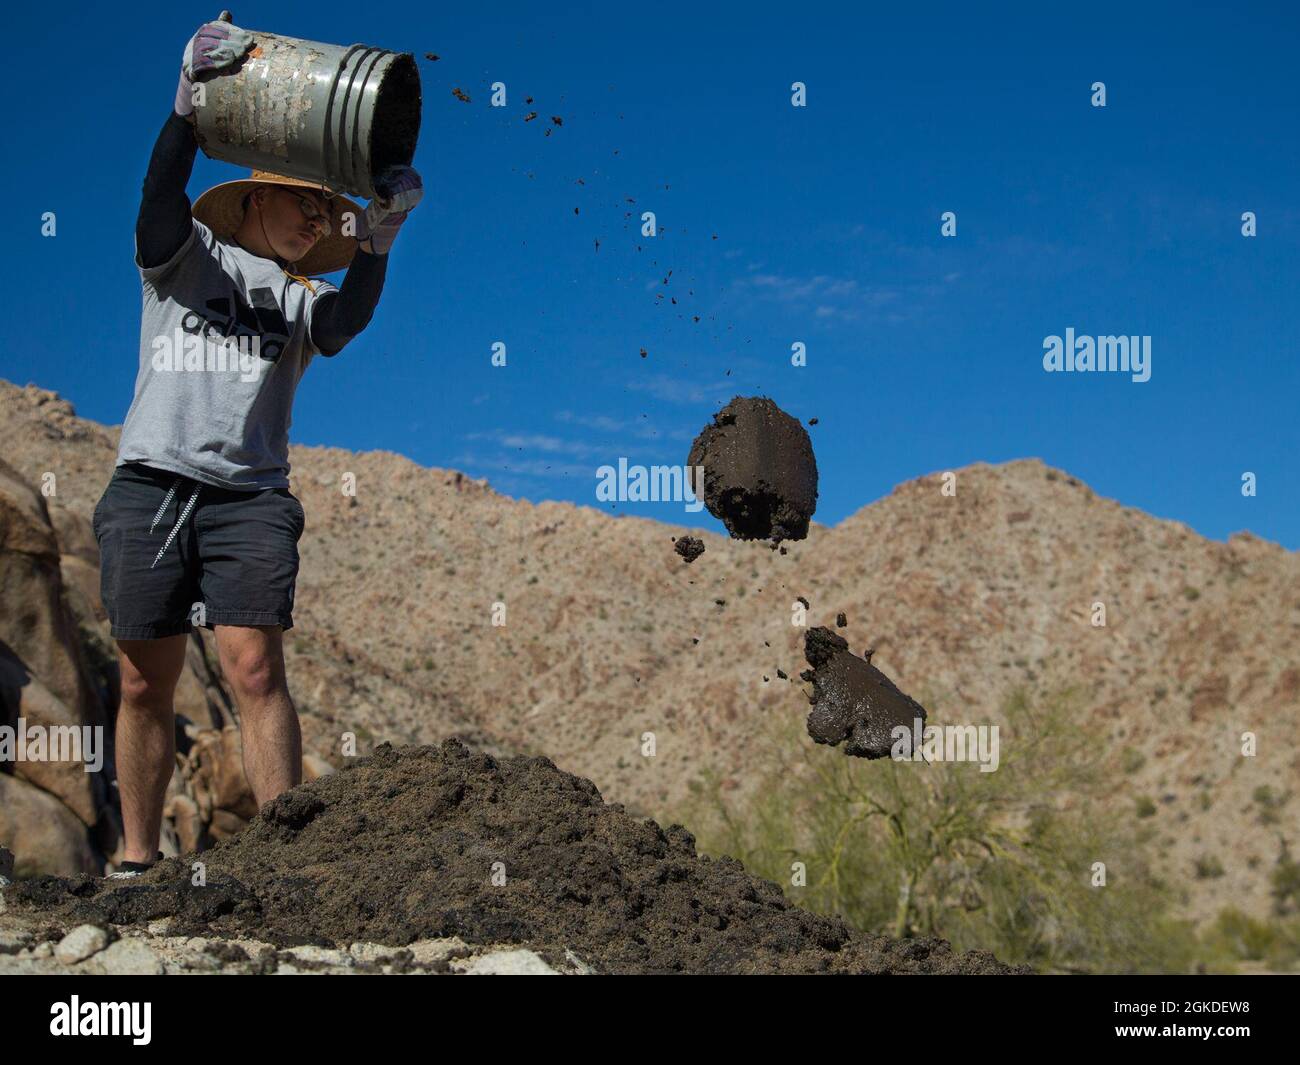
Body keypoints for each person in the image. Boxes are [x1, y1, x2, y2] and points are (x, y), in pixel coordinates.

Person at [94, 18, 422, 876]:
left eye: (327, 211)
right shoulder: (184, 259)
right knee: (142, 681)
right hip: (152, 482)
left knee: (254, 669)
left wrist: (378, 245)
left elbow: (345, 323)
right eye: (302, 202)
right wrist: (184, 107)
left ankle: (285, 868)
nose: (317, 220)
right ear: (253, 201)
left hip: (251, 497)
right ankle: (135, 857)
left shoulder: (303, 298)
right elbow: (158, 198)